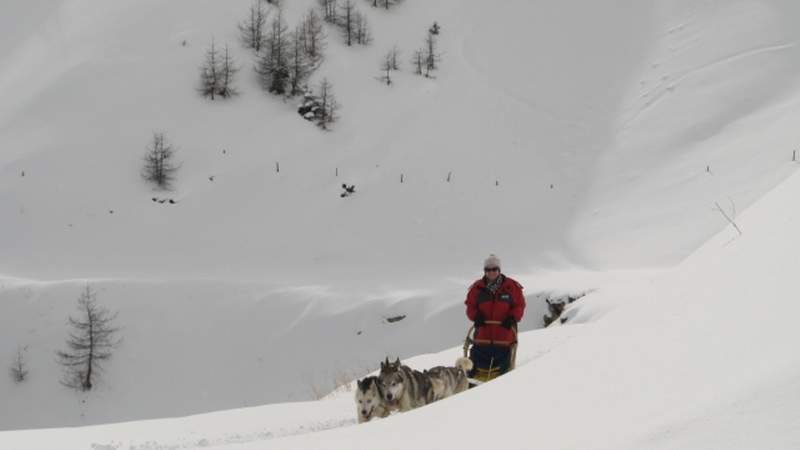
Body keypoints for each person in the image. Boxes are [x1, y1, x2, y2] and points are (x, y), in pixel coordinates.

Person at [464, 254, 525, 380]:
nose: (491, 272)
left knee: (501, 373)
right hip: (482, 338)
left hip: (504, 338)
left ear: (499, 270)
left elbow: (519, 305)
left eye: (494, 269)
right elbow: (470, 305)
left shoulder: (511, 287)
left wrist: (512, 317)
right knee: (475, 369)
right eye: (488, 269)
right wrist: (476, 316)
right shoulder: (477, 288)